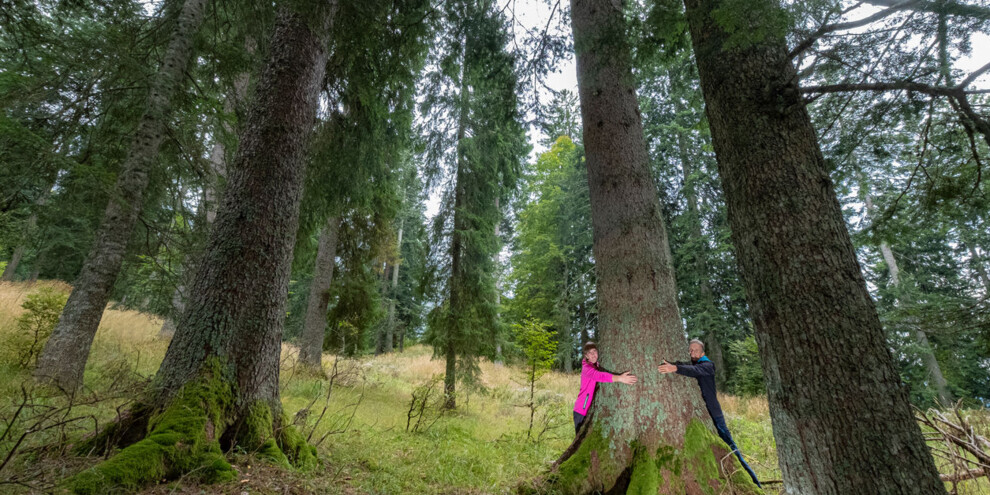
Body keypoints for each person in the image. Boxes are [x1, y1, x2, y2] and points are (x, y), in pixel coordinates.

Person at [658, 339, 761, 487]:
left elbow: (695, 371)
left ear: (703, 353)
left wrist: (675, 368)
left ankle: (755, 484)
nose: (692, 352)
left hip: (715, 415)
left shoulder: (708, 365)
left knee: (732, 450)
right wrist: (674, 364)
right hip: (702, 415)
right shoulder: (694, 364)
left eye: (695, 350)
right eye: (690, 350)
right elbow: (687, 366)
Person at [574, 342, 637, 435]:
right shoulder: (587, 368)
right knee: (580, 437)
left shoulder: (595, 365)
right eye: (589, 353)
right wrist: (620, 378)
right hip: (581, 410)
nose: (593, 355)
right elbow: (600, 376)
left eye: (594, 351)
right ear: (586, 356)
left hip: (588, 409)